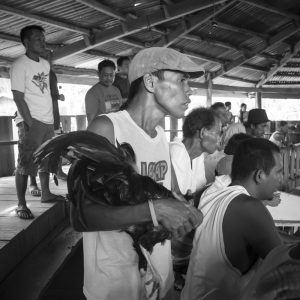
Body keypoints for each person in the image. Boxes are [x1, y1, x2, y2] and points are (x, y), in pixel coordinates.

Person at [71, 47, 204, 300]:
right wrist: (157, 210)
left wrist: (184, 211)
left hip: (159, 278)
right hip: (115, 285)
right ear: (151, 81)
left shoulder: (162, 136)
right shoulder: (107, 128)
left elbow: (169, 198)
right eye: (182, 80)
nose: (189, 90)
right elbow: (81, 215)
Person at [181, 138, 283, 300]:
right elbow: (285, 263)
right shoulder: (249, 208)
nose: (281, 179)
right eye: (278, 172)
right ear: (259, 176)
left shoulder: (212, 192)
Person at [10, 25, 64, 219]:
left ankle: (46, 194)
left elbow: (47, 93)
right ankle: (21, 204)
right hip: (31, 121)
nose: (43, 41)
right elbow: (18, 97)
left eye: (43, 38)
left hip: (47, 121)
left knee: (46, 160)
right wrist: (30, 123)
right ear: (26, 42)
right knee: (25, 164)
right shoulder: (19, 65)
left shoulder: (45, 64)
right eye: (38, 39)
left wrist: (52, 121)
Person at [170, 107, 222, 291]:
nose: (220, 138)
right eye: (218, 132)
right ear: (203, 132)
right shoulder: (175, 152)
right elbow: (174, 198)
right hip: (170, 230)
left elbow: (198, 192)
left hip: (184, 229)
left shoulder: (198, 157)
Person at [85, 59, 122, 125]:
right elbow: (91, 121)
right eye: (105, 75)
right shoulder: (92, 93)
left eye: (111, 75)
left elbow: (120, 113)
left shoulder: (116, 90)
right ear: (98, 74)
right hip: (101, 132)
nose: (109, 78)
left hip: (116, 130)